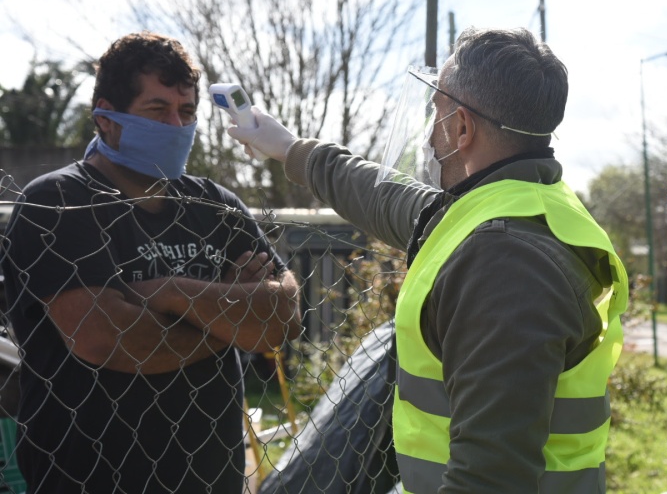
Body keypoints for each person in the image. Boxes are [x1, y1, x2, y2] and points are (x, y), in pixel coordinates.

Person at [228, 26, 629, 493]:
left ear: (462, 127)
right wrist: (289, 148)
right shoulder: (520, 207)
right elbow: (386, 198)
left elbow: (490, 478)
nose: (429, 133)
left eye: (436, 111)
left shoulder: (506, 264)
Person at [0, 31, 302, 493]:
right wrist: (233, 320)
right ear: (106, 118)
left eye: (186, 113)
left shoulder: (215, 205)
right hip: (88, 478)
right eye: (157, 111)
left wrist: (172, 293)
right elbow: (107, 339)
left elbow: (283, 318)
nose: (176, 126)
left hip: (210, 478)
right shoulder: (58, 201)